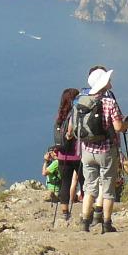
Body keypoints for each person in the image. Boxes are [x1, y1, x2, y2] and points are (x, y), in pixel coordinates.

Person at [73, 65, 126, 234]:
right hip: (106, 150)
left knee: (89, 187)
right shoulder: (109, 102)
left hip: (87, 150)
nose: (110, 82)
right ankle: (106, 223)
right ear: (103, 83)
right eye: (108, 79)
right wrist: (127, 124)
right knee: (108, 187)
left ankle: (85, 222)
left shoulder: (82, 100)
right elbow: (118, 126)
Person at [51, 86, 84, 221]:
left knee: (65, 182)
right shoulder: (77, 113)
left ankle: (65, 211)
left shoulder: (59, 116)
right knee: (84, 182)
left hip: (62, 154)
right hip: (77, 154)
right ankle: (87, 210)